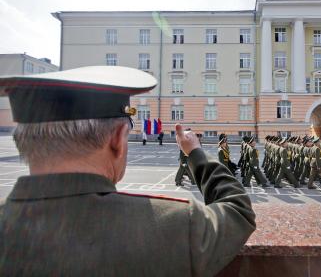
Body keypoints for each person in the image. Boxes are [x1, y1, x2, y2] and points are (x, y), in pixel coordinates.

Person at [0, 66, 256, 276]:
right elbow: (238, 211)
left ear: (23, 141)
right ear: (118, 140)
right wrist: (196, 154)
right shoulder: (174, 224)